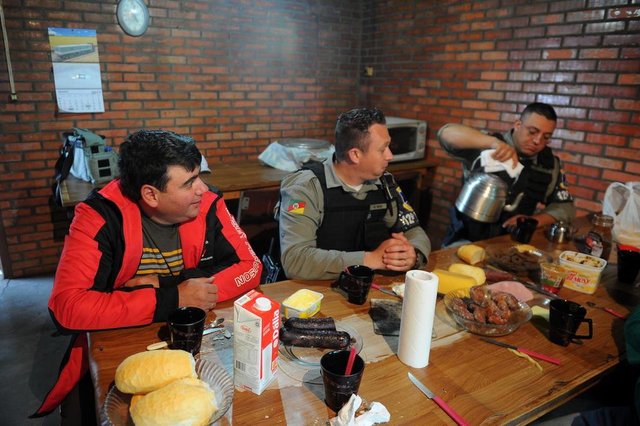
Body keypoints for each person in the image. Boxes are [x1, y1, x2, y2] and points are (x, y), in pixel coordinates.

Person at [33, 130, 262, 423]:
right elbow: (67, 308)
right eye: (189, 182)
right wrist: (174, 297)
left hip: (197, 346)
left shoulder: (208, 203)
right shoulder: (98, 216)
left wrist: (171, 286)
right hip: (119, 345)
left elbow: (251, 267)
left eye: (199, 176)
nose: (202, 188)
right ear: (151, 194)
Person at [278, 107, 431, 280]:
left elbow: (414, 231)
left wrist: (413, 255)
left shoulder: (385, 182)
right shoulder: (305, 188)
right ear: (355, 155)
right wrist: (370, 259)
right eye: (383, 149)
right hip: (314, 294)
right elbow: (295, 261)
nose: (390, 156)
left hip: (369, 288)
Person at [438, 102, 575, 246]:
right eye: (532, 132)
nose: (537, 141)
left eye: (546, 137)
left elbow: (566, 208)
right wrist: (492, 143)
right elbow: (445, 134)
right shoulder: (486, 146)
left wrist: (536, 220)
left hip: (511, 243)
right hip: (465, 239)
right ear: (517, 125)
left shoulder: (549, 165)